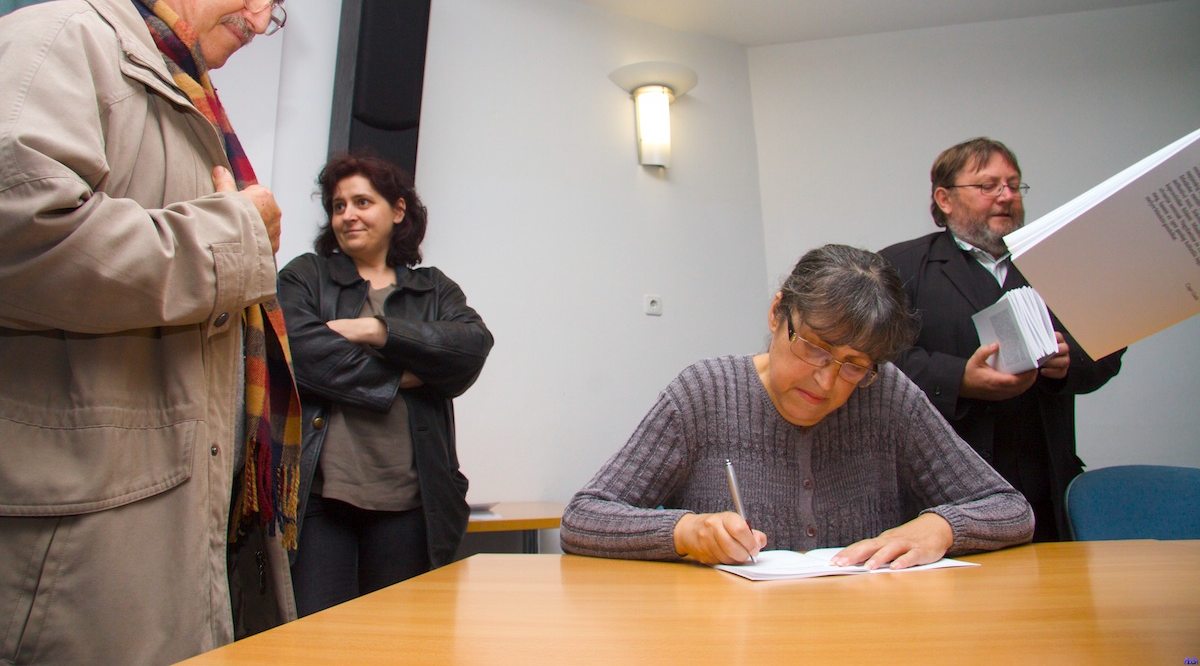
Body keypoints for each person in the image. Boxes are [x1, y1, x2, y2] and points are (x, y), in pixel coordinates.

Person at [0, 0, 303, 664]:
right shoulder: (55, 42)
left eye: (273, 0)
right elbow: (21, 238)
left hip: (159, 531)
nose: (262, 15)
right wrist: (238, 241)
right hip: (75, 558)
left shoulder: (188, 97)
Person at [560, 245, 1033, 568]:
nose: (826, 381)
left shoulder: (886, 394)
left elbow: (1011, 509)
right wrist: (684, 533)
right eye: (814, 348)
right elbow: (584, 518)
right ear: (777, 313)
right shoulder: (705, 393)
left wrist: (941, 527)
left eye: (854, 365)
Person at [277, 154, 493, 616]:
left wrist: (377, 330)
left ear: (397, 210)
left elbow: (472, 346)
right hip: (319, 499)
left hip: (412, 503)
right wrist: (404, 376)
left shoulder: (434, 290)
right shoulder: (306, 276)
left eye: (362, 202)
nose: (347, 215)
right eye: (338, 206)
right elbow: (298, 351)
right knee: (317, 640)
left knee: (399, 640)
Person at [880, 138, 1124, 542]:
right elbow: (876, 361)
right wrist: (960, 378)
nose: (1006, 196)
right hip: (940, 486)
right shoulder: (898, 266)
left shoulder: (1057, 260)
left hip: (1043, 480)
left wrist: (1069, 360)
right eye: (988, 186)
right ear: (944, 199)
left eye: (1014, 185)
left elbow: (1108, 343)